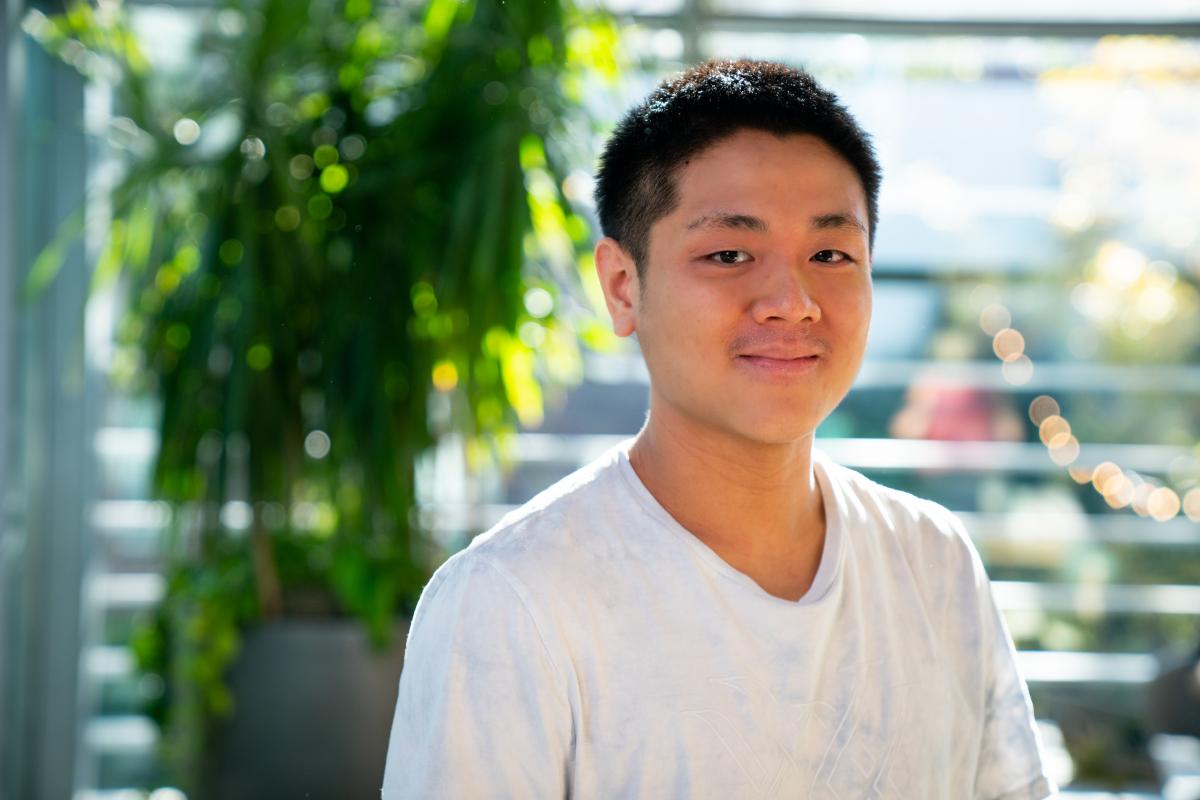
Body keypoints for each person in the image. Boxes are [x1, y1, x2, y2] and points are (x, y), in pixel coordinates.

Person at [382, 59, 1056, 799]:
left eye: (830, 253)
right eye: (729, 254)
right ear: (622, 285)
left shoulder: (933, 562)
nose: (792, 302)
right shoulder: (510, 600)